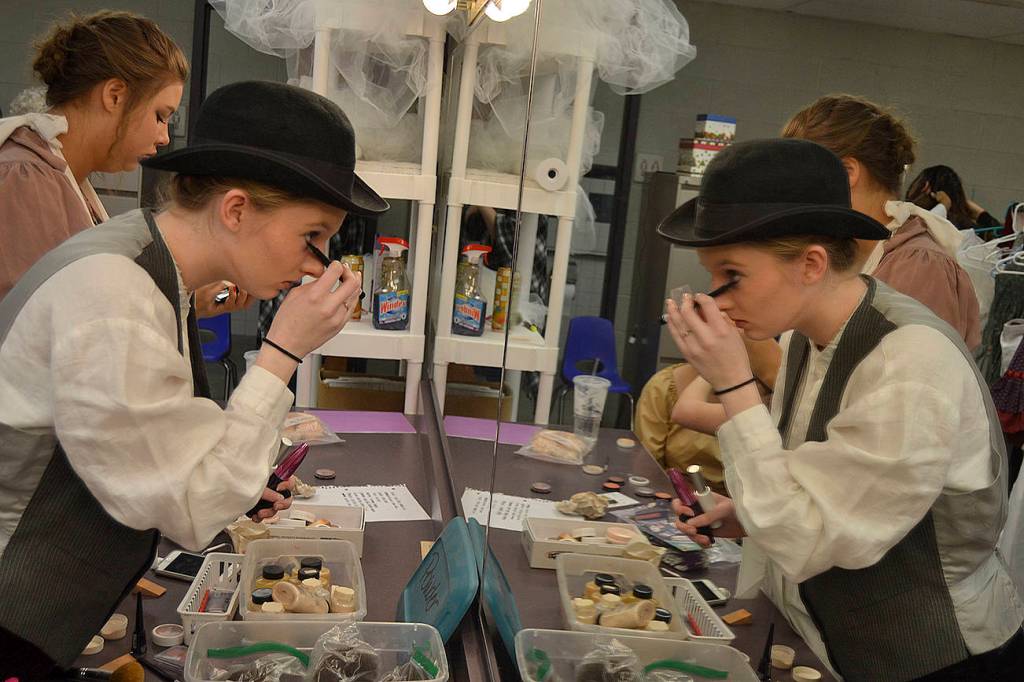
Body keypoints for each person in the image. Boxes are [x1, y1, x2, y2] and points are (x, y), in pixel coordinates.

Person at [0, 80, 388, 677]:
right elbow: (191, 505)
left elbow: (155, 440)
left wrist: (233, 476)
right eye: (312, 236)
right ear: (234, 209)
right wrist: (282, 350)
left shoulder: (145, 265)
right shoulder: (112, 293)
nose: (319, 263)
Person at [660, 138, 1023, 681]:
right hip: (836, 648)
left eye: (731, 275)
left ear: (811, 263)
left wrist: (733, 383)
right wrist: (749, 517)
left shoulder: (911, 358)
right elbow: (820, 489)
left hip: (935, 659)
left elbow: (808, 537)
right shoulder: (808, 338)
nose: (718, 298)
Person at [0, 10, 248, 314]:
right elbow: (41, 329)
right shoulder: (25, 177)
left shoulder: (59, 175)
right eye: (159, 116)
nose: (164, 138)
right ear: (114, 95)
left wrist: (185, 299)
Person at [783, 94, 981, 351]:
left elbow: (912, 384)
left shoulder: (920, 266)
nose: (788, 193)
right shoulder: (843, 253)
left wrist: (759, 363)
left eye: (797, 176)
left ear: (847, 172)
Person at [905, 164, 1003, 233]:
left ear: (925, 187)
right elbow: (1004, 240)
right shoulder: (968, 232)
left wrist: (944, 205)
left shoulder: (904, 222)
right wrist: (981, 214)